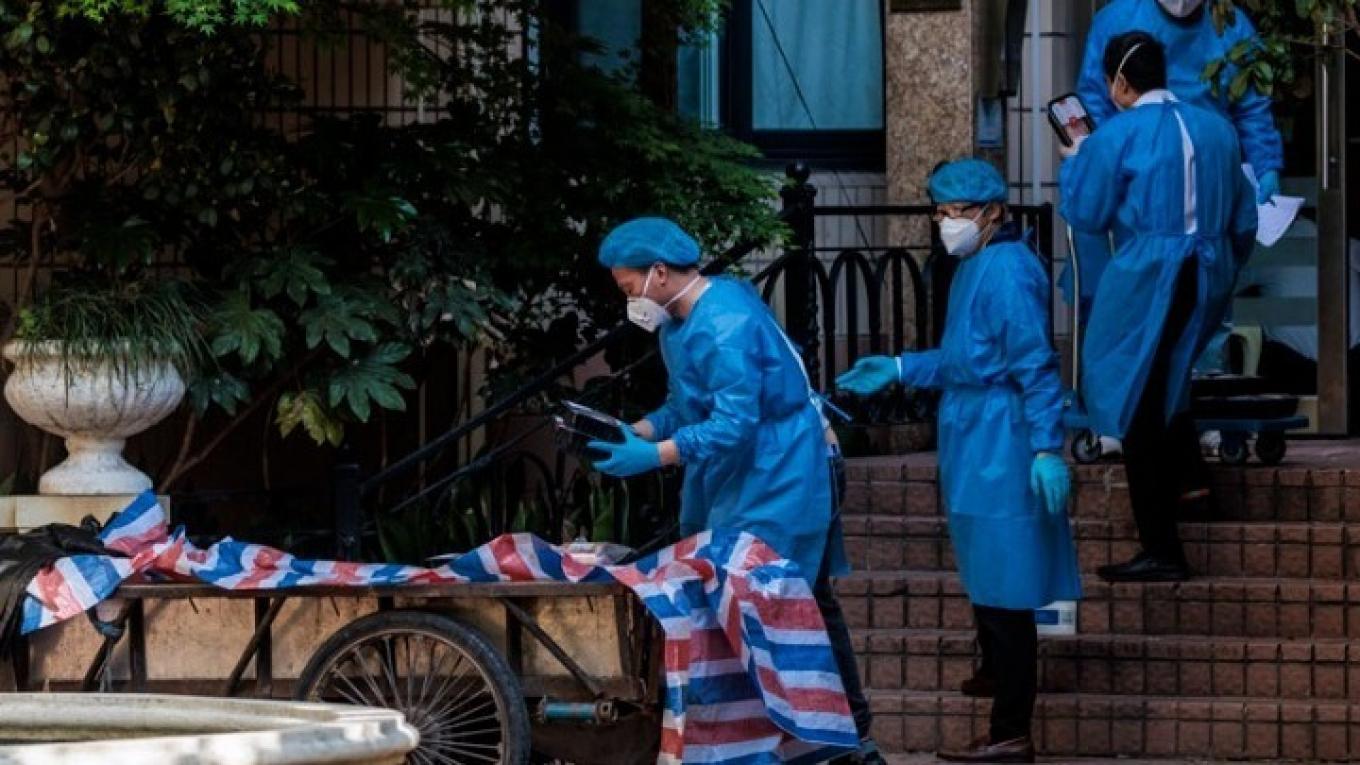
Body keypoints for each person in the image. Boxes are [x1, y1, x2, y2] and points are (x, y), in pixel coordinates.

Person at [587, 217, 885, 764]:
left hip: (783, 470)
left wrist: (655, 456)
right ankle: (813, 737)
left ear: (658, 273)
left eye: (629, 287)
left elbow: (734, 424)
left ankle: (847, 738)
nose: (630, 300)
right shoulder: (680, 323)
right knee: (773, 601)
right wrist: (638, 432)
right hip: (748, 472)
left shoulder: (726, 322)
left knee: (788, 600)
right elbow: (686, 406)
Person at [837, 159, 1080, 764]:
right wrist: (900, 367)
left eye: (960, 212)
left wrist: (1046, 446)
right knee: (987, 564)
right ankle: (995, 669)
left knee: (1008, 578)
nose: (948, 222)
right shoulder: (978, 263)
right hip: (975, 432)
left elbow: (1034, 365)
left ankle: (1011, 731)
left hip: (1004, 435)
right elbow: (962, 358)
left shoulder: (1008, 270)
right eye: (941, 212)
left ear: (995, 211)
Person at [1059, 32, 1257, 583]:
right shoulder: (1217, 129)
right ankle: (1193, 489)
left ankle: (1161, 546)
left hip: (1149, 274)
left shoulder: (1117, 134)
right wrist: (1223, 269)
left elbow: (1087, 212)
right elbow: (1244, 221)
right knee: (1167, 377)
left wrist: (1077, 160)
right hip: (1209, 267)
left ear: (1118, 83)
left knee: (1134, 396)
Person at [1071, 0, 1283, 387]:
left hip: (1168, 189)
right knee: (1189, 322)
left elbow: (1252, 106)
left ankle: (1154, 398)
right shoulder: (1118, 20)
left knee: (1149, 334)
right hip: (1172, 194)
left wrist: (1265, 164)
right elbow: (1243, 228)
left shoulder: (1229, 24)